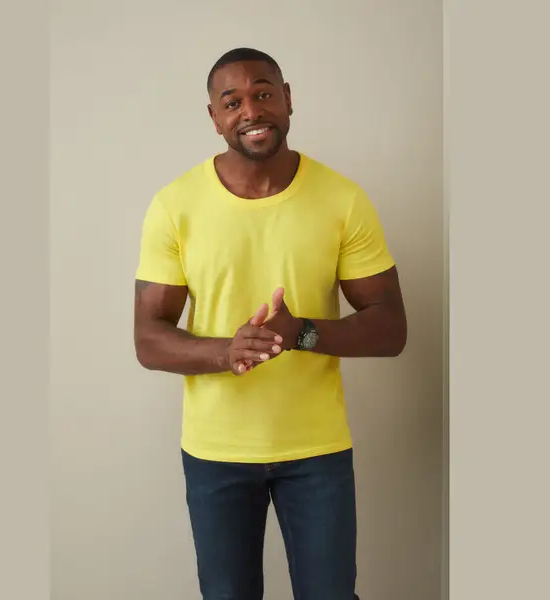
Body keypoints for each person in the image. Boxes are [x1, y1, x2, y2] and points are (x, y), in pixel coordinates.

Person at [134, 47, 407, 600]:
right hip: (216, 453)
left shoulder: (343, 199)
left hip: (317, 450)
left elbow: (390, 326)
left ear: (287, 99)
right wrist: (226, 351)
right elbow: (148, 338)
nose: (251, 111)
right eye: (232, 102)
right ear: (214, 117)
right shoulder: (175, 205)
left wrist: (302, 332)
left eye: (262, 94)